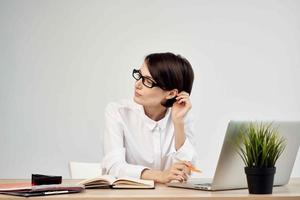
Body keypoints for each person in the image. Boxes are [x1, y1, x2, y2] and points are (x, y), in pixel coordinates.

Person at [102, 52, 198, 183]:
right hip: (128, 195)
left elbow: (186, 169)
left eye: (147, 81)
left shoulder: (182, 116)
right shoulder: (118, 112)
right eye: (139, 75)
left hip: (169, 196)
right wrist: (160, 176)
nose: (137, 84)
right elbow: (113, 167)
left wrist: (178, 123)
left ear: (171, 93)